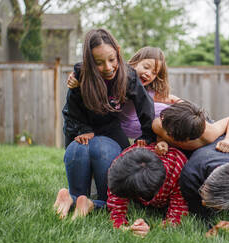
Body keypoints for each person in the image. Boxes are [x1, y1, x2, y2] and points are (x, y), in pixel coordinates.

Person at [54, 29, 156, 220]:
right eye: (99, 63)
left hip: (109, 126)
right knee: (80, 158)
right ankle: (74, 196)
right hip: (80, 125)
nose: (107, 67)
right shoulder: (81, 75)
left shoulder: (128, 76)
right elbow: (71, 108)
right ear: (90, 61)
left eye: (111, 59)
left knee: (127, 162)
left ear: (117, 52)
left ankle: (91, 198)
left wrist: (147, 136)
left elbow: (145, 106)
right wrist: (83, 130)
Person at [67, 46, 180, 139]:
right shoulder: (123, 80)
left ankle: (173, 137)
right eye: (146, 67)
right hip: (123, 125)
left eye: (154, 73)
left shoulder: (148, 91)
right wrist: (76, 79)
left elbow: (169, 98)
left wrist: (182, 104)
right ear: (134, 63)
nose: (148, 73)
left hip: (140, 121)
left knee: (166, 110)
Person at [106, 143, 188, 237]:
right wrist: (123, 227)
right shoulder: (121, 168)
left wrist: (153, 229)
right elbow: (115, 206)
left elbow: (177, 215)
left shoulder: (178, 170)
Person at [152, 100, 229, 154]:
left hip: (195, 123)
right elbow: (160, 135)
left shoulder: (209, 134)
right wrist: (162, 142)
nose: (162, 119)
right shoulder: (158, 124)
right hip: (183, 115)